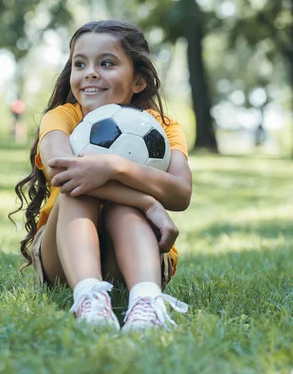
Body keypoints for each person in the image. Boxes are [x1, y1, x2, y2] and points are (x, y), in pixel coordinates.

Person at [10, 20, 192, 332]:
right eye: (80, 64)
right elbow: (60, 170)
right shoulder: (62, 116)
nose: (91, 72)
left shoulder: (163, 128)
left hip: (140, 261)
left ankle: (146, 301)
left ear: (139, 81)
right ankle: (89, 298)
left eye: (106, 63)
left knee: (119, 206)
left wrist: (117, 168)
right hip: (63, 259)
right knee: (75, 188)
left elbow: (180, 193)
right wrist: (147, 203)